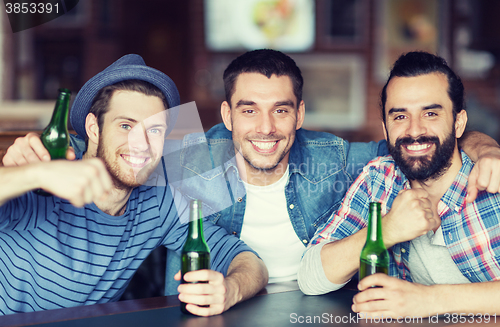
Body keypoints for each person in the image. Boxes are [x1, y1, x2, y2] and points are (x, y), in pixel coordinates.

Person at [4, 50, 500, 296]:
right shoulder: (191, 151)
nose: (265, 128)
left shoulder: (332, 157)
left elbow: (416, 146)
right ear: (224, 114)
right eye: (248, 111)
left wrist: (485, 145)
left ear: (300, 115)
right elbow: (112, 148)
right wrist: (35, 166)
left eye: (281, 111)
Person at [0, 54, 268, 316]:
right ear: (94, 129)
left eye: (154, 130)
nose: (141, 144)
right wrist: (34, 174)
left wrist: (230, 289)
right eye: (126, 126)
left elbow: (247, 260)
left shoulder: (159, 202)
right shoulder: (47, 182)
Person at [298, 51, 500, 317]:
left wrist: (430, 300)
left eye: (430, 113)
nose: (414, 131)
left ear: (458, 123)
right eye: (400, 116)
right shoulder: (379, 178)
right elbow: (310, 277)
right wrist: (387, 229)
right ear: (385, 128)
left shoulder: (492, 178)